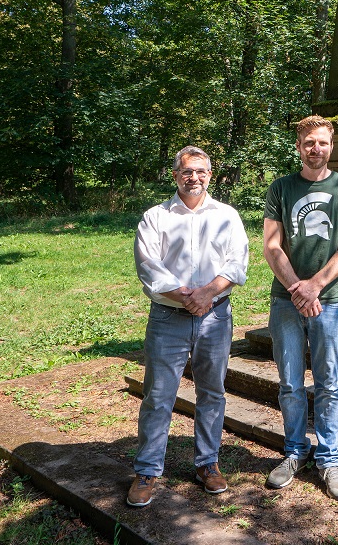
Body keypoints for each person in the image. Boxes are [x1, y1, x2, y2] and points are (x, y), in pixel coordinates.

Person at [127, 146, 250, 507]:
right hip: (168, 319)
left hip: (215, 317)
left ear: (210, 174)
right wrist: (187, 296)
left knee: (212, 393)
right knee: (158, 396)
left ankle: (208, 464)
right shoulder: (156, 217)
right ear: (175, 175)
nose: (193, 177)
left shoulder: (228, 216)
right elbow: (148, 265)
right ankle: (147, 470)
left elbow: (237, 262)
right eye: (186, 171)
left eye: (200, 171)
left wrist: (208, 293)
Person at [263, 115, 338, 499]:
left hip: (329, 302)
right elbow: (272, 245)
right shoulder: (282, 187)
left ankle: (329, 458)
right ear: (299, 146)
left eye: (322, 142)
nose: (315, 149)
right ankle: (294, 451)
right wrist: (296, 289)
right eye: (308, 143)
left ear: (331, 145)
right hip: (286, 301)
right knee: (290, 382)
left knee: (327, 384)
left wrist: (315, 287)